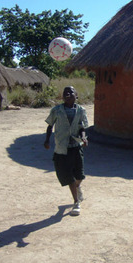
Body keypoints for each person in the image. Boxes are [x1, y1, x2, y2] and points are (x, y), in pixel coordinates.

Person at [44, 86, 89, 216]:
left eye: (71, 92)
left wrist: (84, 138)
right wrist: (47, 140)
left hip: (76, 147)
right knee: (68, 176)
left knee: (79, 176)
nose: (68, 94)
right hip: (62, 148)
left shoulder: (81, 110)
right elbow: (50, 126)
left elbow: (82, 127)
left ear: (76, 95)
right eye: (65, 93)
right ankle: (76, 202)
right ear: (62, 96)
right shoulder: (56, 110)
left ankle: (78, 186)